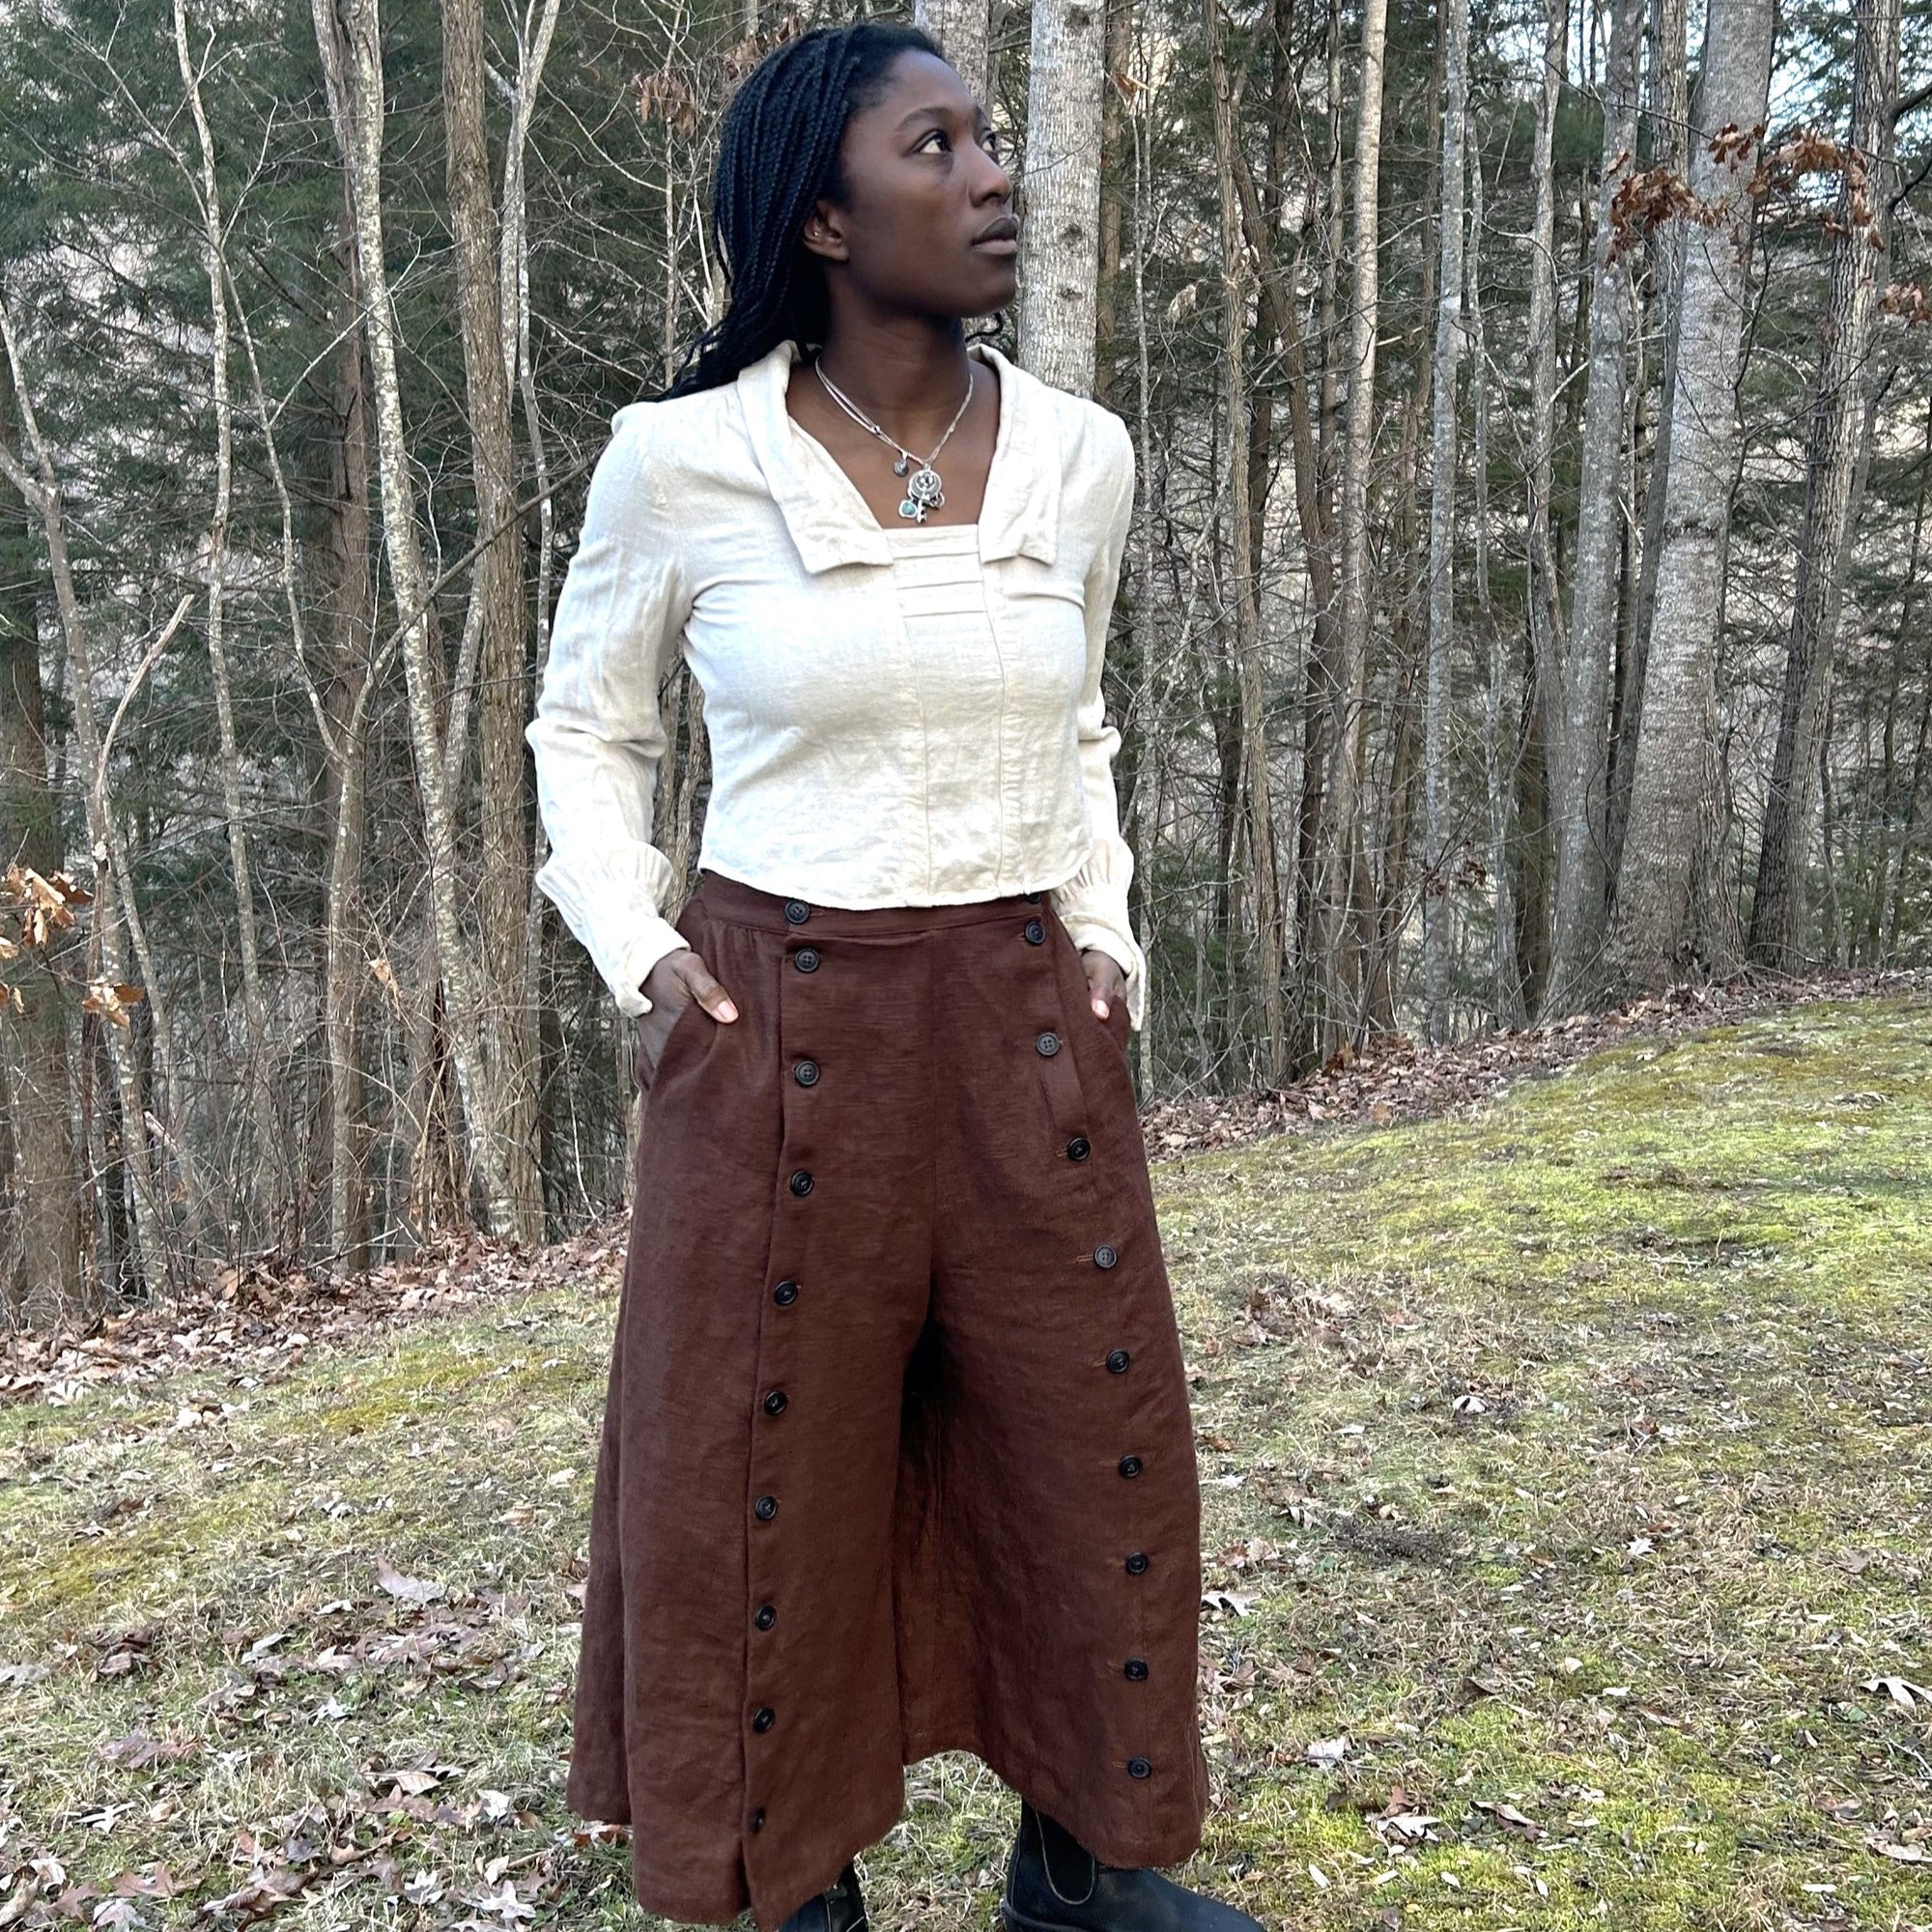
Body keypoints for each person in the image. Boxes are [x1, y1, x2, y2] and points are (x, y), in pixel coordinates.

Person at [526, 21, 1262, 1932]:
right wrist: (643, 946)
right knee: (760, 1470)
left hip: (1028, 1023)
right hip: (774, 1037)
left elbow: (1079, 726)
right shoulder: (682, 463)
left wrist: (1105, 940)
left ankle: (1087, 1873)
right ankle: (788, 1886)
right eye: (937, 146)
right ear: (828, 218)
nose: (990, 175)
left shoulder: (1080, 457)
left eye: (992, 137)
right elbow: (579, 732)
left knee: (1086, 1453)